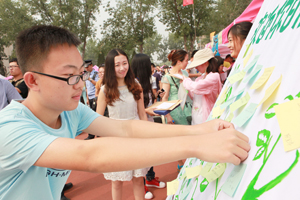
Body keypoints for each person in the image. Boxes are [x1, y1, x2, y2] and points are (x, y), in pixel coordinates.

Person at [0, 25, 250, 200]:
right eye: (69, 76)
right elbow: (89, 155)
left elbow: (126, 127)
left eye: (81, 73)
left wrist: (200, 130)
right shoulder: (10, 129)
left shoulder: (69, 111)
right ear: (32, 81)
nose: (79, 83)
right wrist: (195, 146)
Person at [97, 49, 150, 200]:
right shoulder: (105, 90)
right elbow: (97, 119)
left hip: (137, 137)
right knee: (117, 181)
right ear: (110, 67)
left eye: (124, 63)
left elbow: (141, 114)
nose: (122, 68)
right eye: (117, 65)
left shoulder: (135, 85)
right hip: (116, 139)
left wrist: (148, 136)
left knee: (138, 178)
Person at [131, 54, 165, 199]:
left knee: (151, 154)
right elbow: (134, 110)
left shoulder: (148, 81)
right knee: (142, 156)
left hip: (149, 122)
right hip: (139, 125)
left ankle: (150, 178)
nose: (151, 67)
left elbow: (149, 104)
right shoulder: (133, 84)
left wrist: (161, 102)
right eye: (148, 65)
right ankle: (143, 184)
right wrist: (148, 111)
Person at [183, 48, 222, 125]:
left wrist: (185, 79)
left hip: (206, 117)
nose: (196, 68)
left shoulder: (214, 76)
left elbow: (196, 87)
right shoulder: (200, 78)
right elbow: (193, 95)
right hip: (196, 116)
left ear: (205, 62)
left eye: (197, 65)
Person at [84, 59, 99, 140]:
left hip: (95, 97)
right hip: (89, 98)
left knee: (96, 116)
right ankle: (91, 135)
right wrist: (87, 98)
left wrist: (89, 79)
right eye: (85, 67)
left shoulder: (96, 74)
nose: (86, 69)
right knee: (90, 116)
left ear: (91, 65)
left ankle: (99, 134)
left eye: (87, 67)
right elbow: (86, 88)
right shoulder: (86, 74)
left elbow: (98, 84)